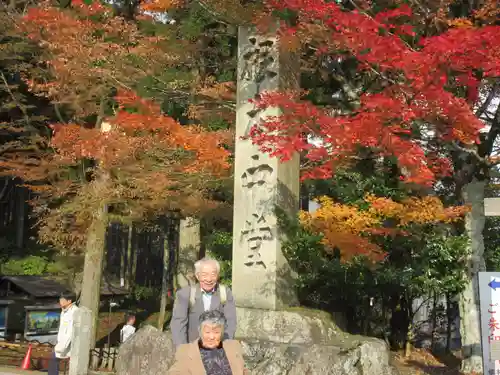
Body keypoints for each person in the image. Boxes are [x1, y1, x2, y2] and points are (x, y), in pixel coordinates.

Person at [170, 257, 237, 348]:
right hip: (193, 348)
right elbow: (178, 326)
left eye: (213, 274)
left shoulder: (225, 293)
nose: (209, 279)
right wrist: (183, 351)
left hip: (218, 348)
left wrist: (225, 346)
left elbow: (231, 322)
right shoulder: (185, 294)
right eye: (204, 275)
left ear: (218, 276)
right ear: (197, 276)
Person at [168, 310, 248, 375]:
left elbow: (244, 371)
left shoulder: (233, 346)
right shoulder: (186, 351)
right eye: (207, 332)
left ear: (222, 332)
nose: (211, 337)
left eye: (216, 332)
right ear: (200, 331)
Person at [48, 293, 78, 375]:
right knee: (54, 360)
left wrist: (62, 346)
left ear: (69, 301)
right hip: (62, 342)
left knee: (55, 360)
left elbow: (70, 331)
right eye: (60, 299)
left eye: (62, 300)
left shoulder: (74, 312)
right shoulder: (64, 311)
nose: (60, 301)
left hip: (69, 344)